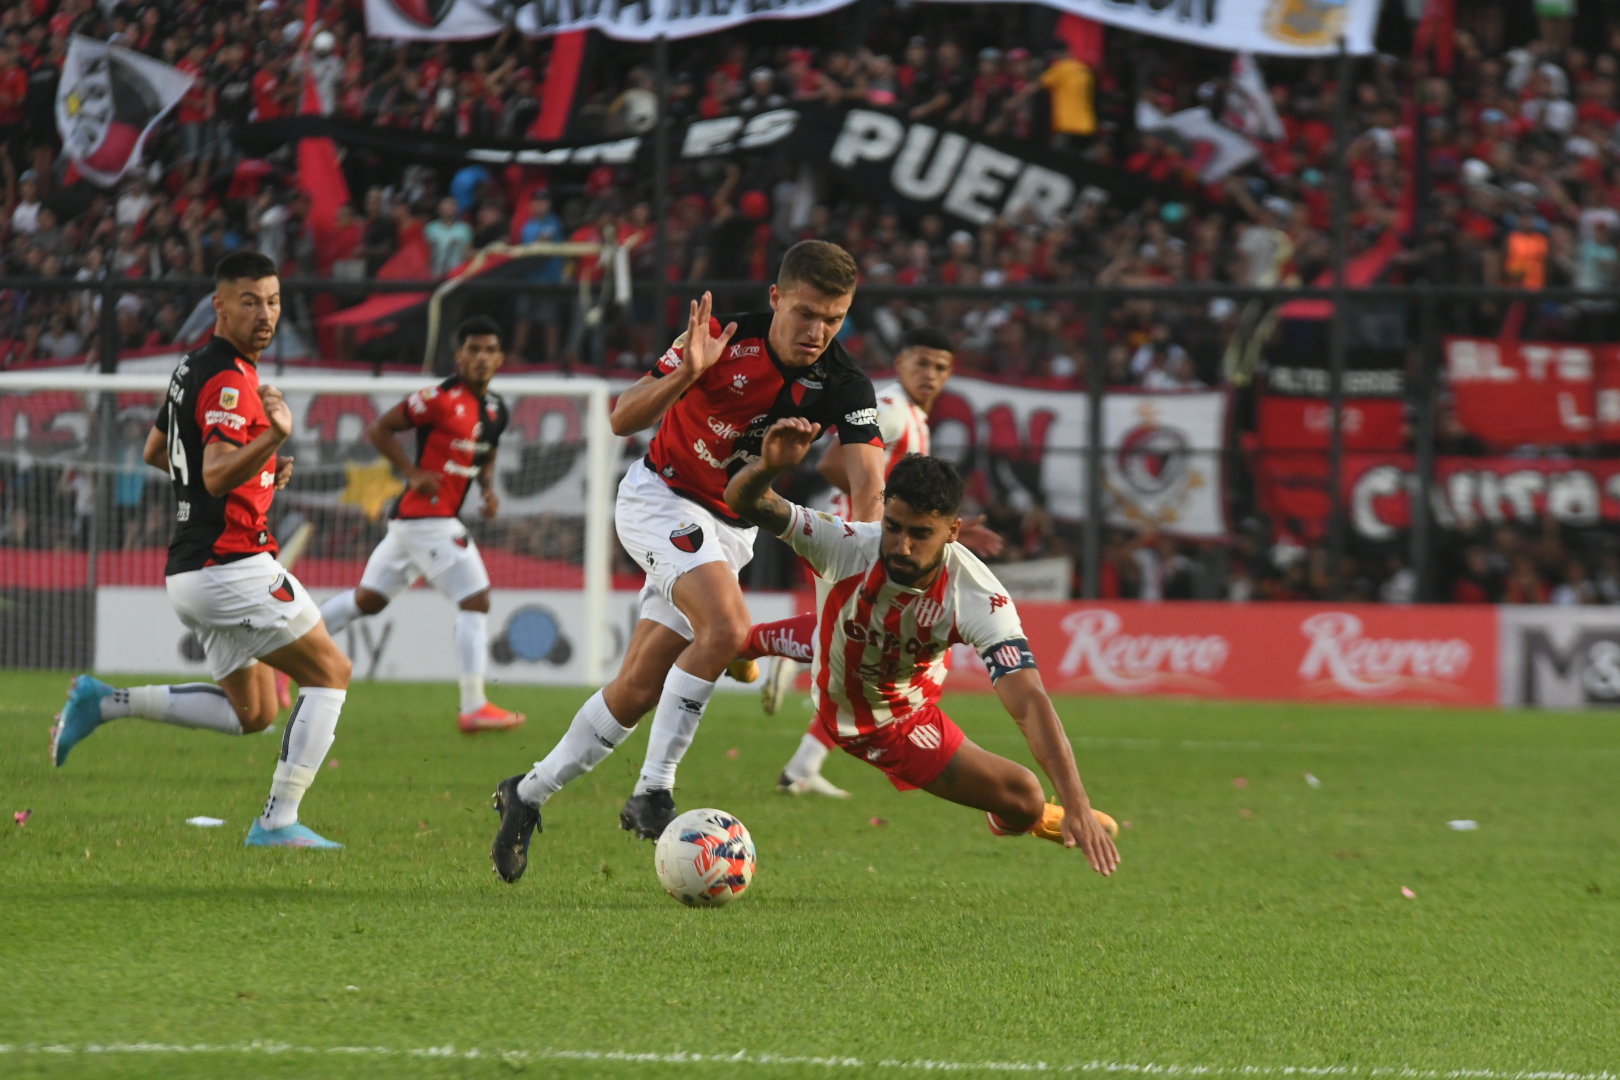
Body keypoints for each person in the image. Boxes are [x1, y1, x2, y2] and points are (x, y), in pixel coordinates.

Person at [487, 241, 887, 883]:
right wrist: (685, 373)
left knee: (638, 689)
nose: (817, 331)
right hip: (660, 500)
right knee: (726, 631)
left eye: (834, 318)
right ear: (776, 298)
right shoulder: (720, 342)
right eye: (806, 312)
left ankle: (525, 794)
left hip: (733, 530)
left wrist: (872, 558)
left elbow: (869, 483)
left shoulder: (845, 384)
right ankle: (653, 789)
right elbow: (622, 418)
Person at [50, 251, 353, 850]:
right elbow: (213, 474)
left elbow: (159, 453)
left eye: (272, 302)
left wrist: (262, 468)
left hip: (193, 571)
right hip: (233, 566)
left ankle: (103, 702)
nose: (264, 314)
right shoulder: (230, 379)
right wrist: (270, 437)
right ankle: (276, 822)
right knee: (331, 674)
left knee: (257, 714)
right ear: (219, 305)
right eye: (249, 301)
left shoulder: (191, 367)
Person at [728, 420, 1120, 873]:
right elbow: (747, 501)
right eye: (894, 527)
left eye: (921, 534)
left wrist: (1076, 802)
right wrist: (767, 466)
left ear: (953, 531)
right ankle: (746, 646)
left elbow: (1029, 701)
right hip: (871, 720)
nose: (902, 545)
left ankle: (748, 646)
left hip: (904, 675)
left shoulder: (979, 598)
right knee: (1028, 797)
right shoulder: (850, 545)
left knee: (846, 630)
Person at [740, 327, 1003, 797]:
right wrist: (879, 513)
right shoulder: (893, 408)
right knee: (868, 655)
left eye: (940, 367)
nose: (929, 374)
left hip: (879, 547)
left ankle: (801, 765)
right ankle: (789, 650)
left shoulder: (916, 419)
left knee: (872, 663)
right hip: (855, 545)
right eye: (921, 363)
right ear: (899, 363)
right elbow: (831, 464)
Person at [318, 315, 523, 733]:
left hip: (414, 523)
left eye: (489, 350)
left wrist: (486, 488)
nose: (481, 358)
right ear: (459, 355)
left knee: (367, 601)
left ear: (500, 358)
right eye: (473, 349)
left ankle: (282, 660)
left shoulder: (497, 408)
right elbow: (381, 429)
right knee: (476, 600)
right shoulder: (439, 398)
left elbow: (486, 452)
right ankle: (473, 705)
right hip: (428, 516)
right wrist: (411, 474)